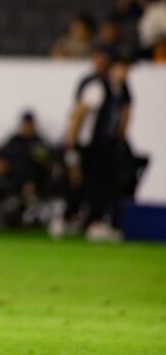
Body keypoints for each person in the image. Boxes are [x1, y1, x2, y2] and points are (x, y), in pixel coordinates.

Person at [64, 46, 131, 241]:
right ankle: (83, 221)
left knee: (104, 185)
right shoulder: (98, 86)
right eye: (123, 68)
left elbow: (124, 116)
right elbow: (78, 115)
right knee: (88, 185)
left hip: (106, 146)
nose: (126, 73)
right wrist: (72, 145)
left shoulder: (121, 90)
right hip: (90, 146)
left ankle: (95, 221)